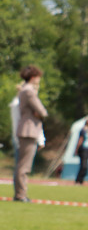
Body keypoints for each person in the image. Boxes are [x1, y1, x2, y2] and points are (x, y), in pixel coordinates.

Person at [13, 65, 48, 202]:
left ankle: (20, 193)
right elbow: (42, 111)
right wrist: (40, 114)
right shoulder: (29, 91)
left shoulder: (24, 90)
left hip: (25, 129)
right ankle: (21, 195)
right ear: (33, 77)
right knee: (24, 166)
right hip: (29, 130)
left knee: (22, 165)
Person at [74, 118, 88, 185]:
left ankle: (81, 180)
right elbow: (81, 139)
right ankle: (78, 180)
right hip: (83, 149)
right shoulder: (83, 130)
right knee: (83, 165)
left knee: (86, 166)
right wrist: (77, 148)